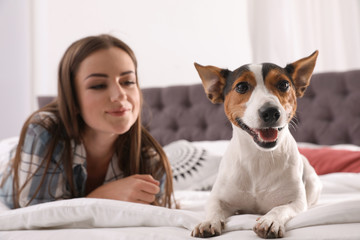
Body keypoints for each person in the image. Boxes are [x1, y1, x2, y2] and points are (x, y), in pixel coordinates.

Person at [0, 34, 174, 209]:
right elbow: (36, 216)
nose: (120, 95)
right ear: (72, 99)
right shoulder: (44, 131)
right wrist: (102, 197)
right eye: (98, 85)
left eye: (128, 81)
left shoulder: (149, 160)